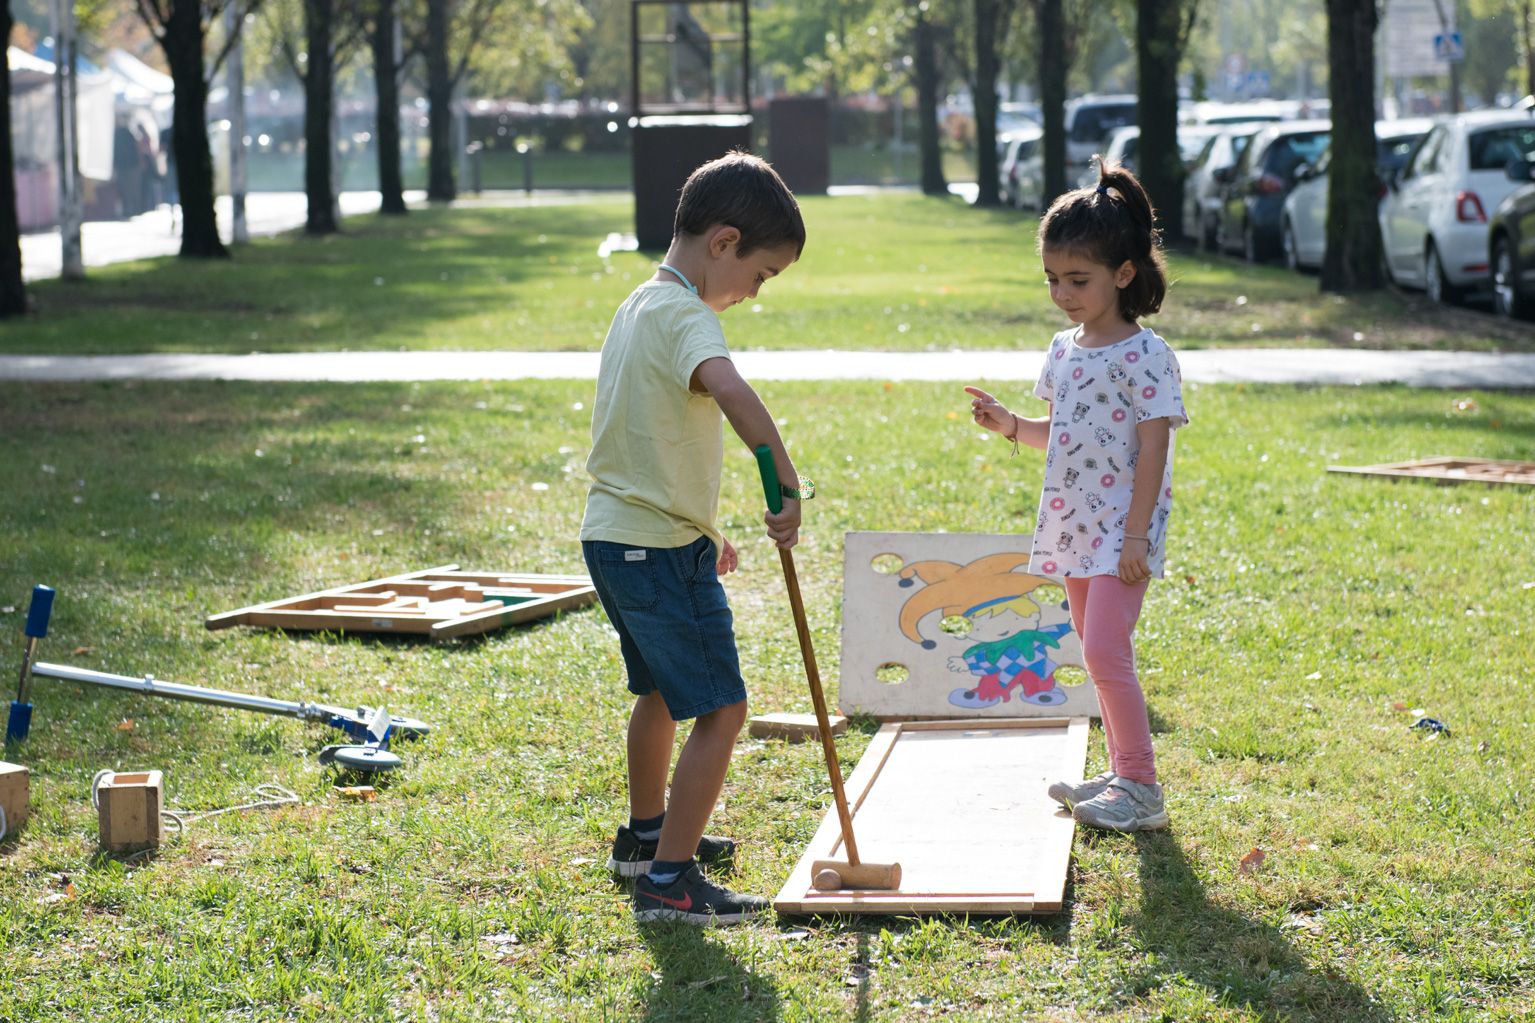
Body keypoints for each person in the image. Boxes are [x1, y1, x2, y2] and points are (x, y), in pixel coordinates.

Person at [581, 151, 806, 924]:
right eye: (761, 273)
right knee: (722, 709)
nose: (754, 292)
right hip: (655, 548)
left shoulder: (639, 302)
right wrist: (781, 477)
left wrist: (700, 528)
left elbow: (647, 432)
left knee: (657, 692)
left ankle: (645, 837)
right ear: (723, 241)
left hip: (618, 537)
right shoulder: (687, 316)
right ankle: (669, 880)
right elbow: (732, 390)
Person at [964, 159, 1188, 833]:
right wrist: (1008, 425)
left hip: (1120, 531)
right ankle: (1123, 772)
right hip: (1074, 525)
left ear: (1123, 274)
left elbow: (1153, 449)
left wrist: (1133, 538)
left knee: (1104, 653)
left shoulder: (1146, 355)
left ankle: (1141, 787)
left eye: (1078, 280)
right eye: (1053, 279)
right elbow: (1057, 433)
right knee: (1094, 648)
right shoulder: (1064, 349)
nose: (1062, 293)